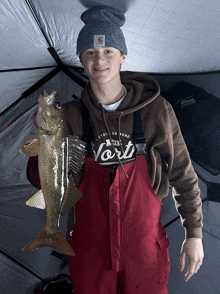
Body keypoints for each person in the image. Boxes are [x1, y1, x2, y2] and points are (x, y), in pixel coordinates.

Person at [27, 5, 204, 294]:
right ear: (82, 60)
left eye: (108, 50)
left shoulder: (155, 110)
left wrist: (194, 234)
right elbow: (41, 181)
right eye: (91, 52)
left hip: (145, 249)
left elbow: (183, 175)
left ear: (122, 56)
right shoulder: (69, 115)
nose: (100, 60)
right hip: (89, 250)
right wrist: (42, 136)